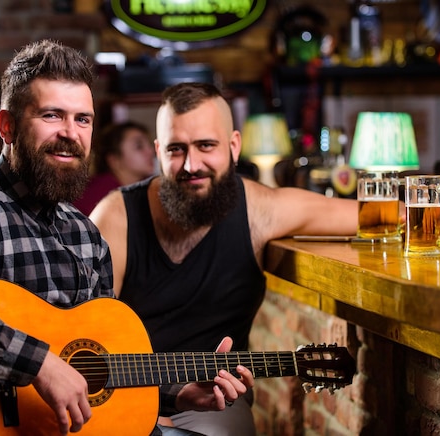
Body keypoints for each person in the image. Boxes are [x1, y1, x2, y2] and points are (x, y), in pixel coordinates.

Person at [0, 41, 253, 436]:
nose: (70, 134)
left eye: (83, 120)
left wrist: (176, 395)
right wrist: (37, 364)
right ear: (8, 126)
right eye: (52, 115)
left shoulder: (84, 233)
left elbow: (94, 370)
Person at [89, 82, 359, 436]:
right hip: (115, 398)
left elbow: (366, 214)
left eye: (205, 146)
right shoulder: (115, 217)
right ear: (158, 151)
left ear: (233, 146)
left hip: (210, 405)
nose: (191, 164)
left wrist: (421, 208)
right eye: (175, 149)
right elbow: (81, 340)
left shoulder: (260, 212)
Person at [74, 120, 156, 215]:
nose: (151, 151)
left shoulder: (147, 189)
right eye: (139, 146)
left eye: (149, 145)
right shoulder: (99, 195)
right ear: (114, 160)